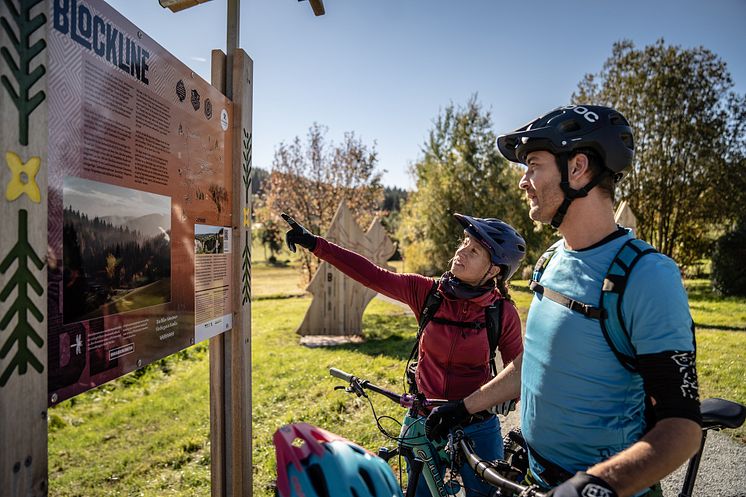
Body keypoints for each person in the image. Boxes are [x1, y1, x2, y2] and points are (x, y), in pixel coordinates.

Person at [425, 105, 702, 497]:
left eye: (533, 165)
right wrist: (463, 407)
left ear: (577, 168)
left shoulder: (647, 276)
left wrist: (592, 487)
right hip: (536, 480)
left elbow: (683, 429)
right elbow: (533, 365)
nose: (524, 181)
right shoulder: (550, 260)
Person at [283, 212, 526, 497]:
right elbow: (372, 274)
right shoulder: (427, 293)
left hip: (476, 422)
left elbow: (519, 373)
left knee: (487, 493)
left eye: (474, 251)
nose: (461, 252)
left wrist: (505, 398)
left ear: (494, 270)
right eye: (464, 243)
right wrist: (314, 244)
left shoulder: (501, 312)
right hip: (424, 418)